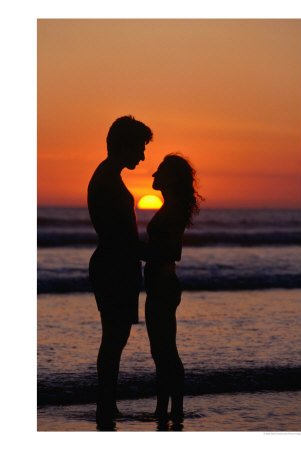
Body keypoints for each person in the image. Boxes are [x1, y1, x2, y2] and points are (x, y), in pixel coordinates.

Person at [87, 115, 153, 428]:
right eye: (139, 148)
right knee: (114, 339)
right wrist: (156, 253)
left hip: (116, 264)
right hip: (114, 266)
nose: (142, 156)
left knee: (115, 338)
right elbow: (120, 237)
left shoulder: (108, 176)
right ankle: (106, 405)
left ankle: (107, 405)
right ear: (123, 145)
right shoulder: (108, 181)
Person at [141, 154, 202, 421]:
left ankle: (173, 410)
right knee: (162, 350)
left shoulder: (174, 208)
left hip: (163, 284)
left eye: (160, 172)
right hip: (161, 283)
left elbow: (170, 251)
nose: (154, 176)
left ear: (173, 178)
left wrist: (134, 248)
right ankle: (164, 409)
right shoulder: (171, 206)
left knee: (165, 350)